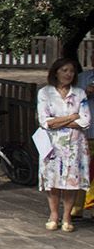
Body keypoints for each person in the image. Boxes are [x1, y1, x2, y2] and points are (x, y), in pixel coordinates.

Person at [36, 57, 90, 232]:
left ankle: (67, 216)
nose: (68, 74)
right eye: (64, 70)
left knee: (71, 181)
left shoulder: (79, 93)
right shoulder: (45, 93)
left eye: (71, 71)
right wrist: (70, 117)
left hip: (75, 144)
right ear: (56, 72)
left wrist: (60, 121)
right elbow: (45, 121)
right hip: (52, 144)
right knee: (52, 180)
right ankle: (54, 214)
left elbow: (85, 121)